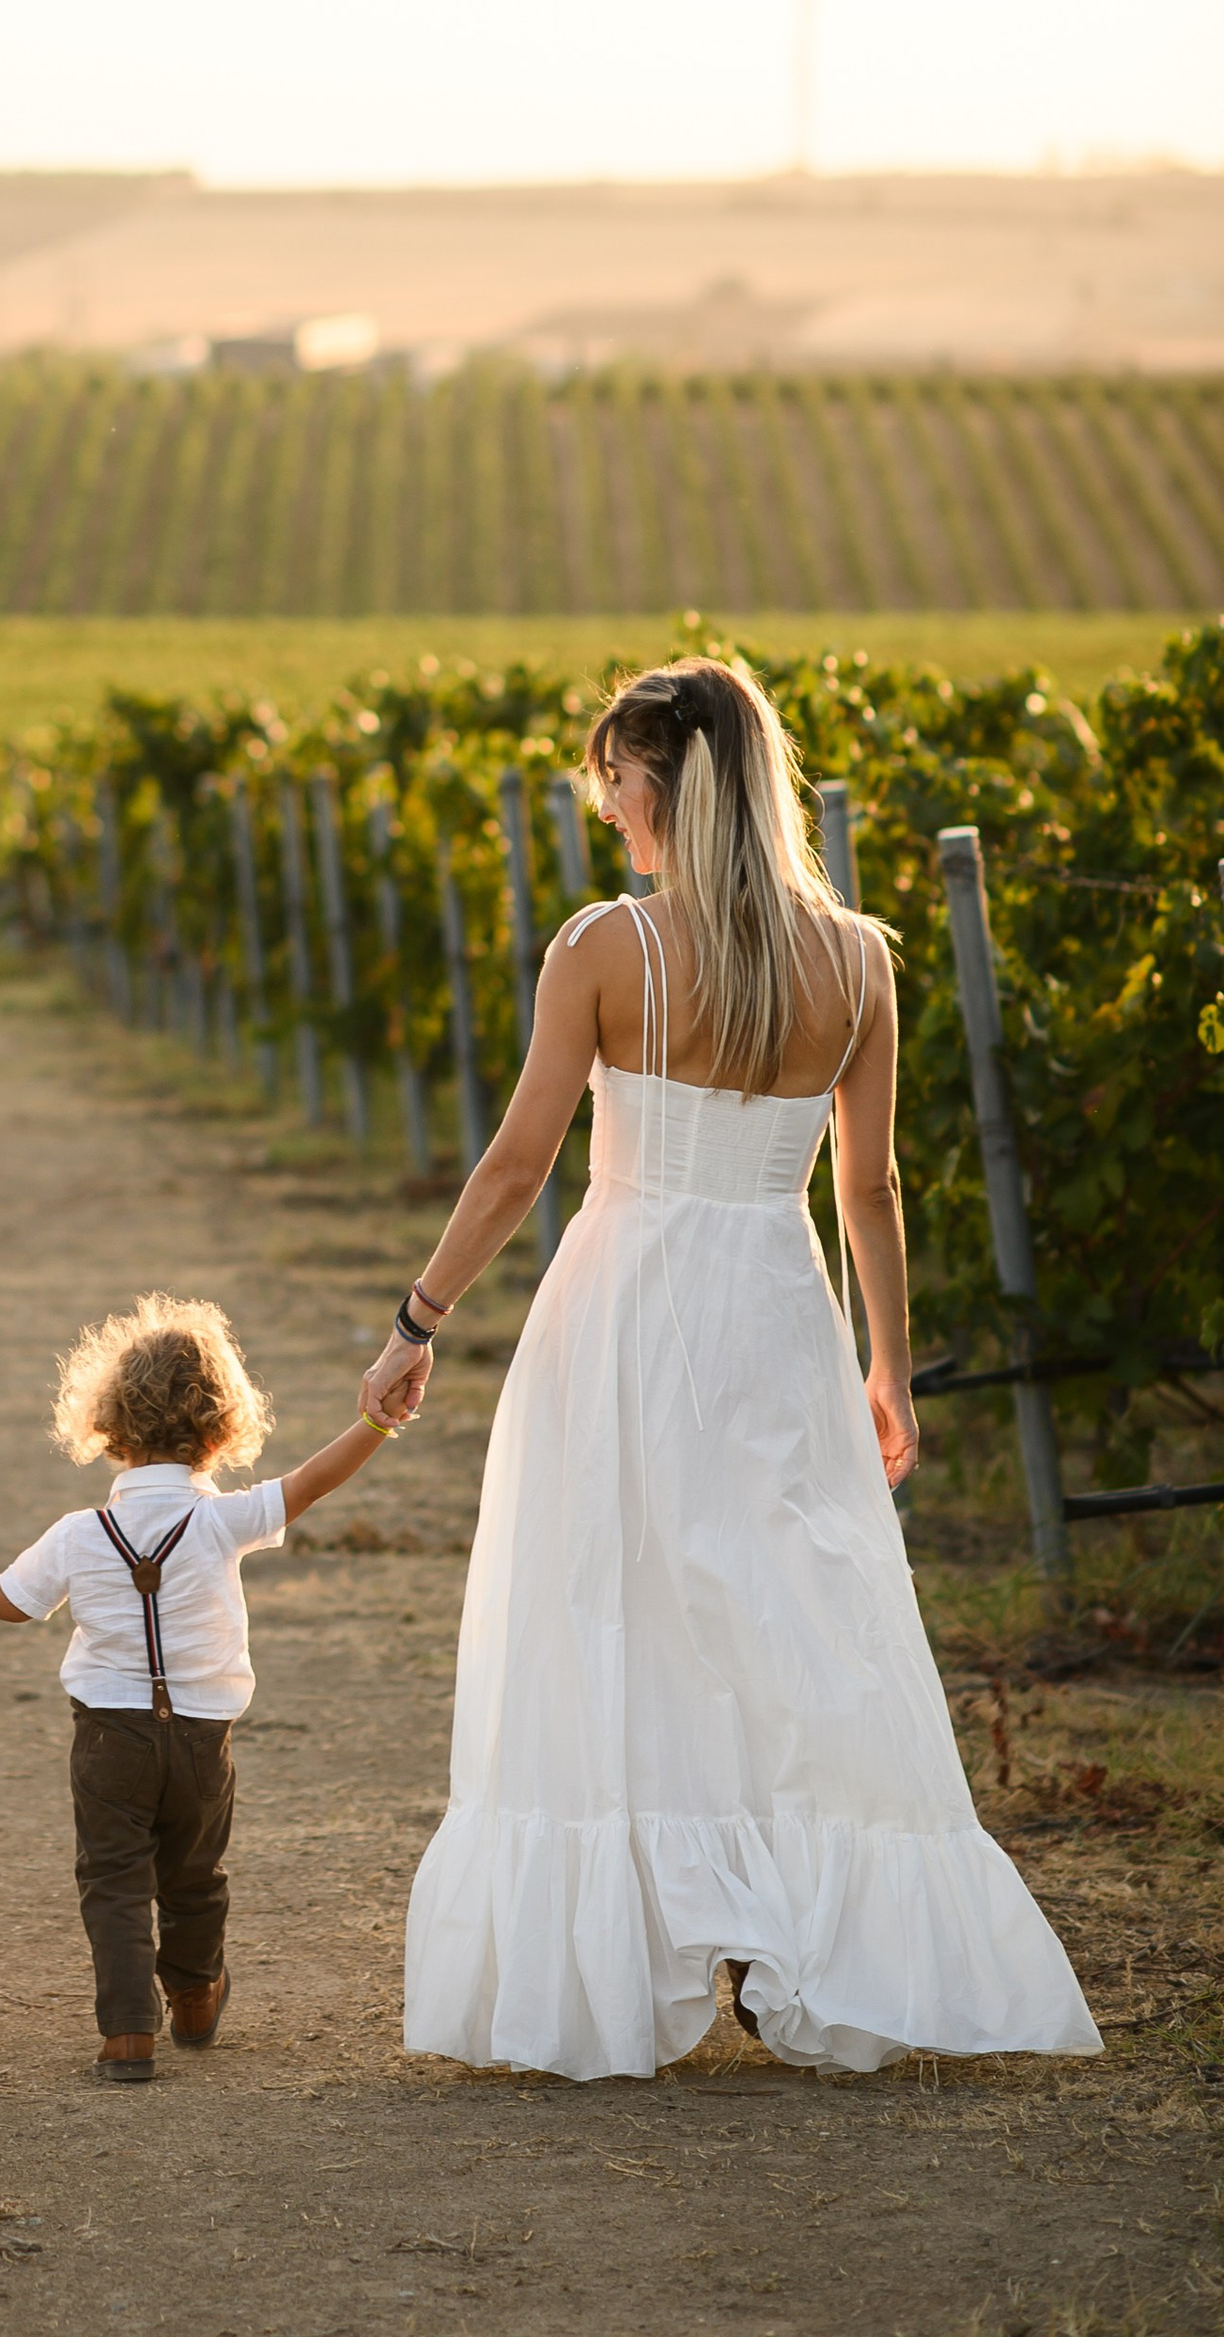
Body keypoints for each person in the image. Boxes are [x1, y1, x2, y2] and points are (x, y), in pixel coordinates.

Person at [362, 653, 1099, 2082]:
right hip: (777, 1306)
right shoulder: (861, 959)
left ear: (662, 785)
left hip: (630, 1306)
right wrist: (887, 1364)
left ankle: (651, 1943)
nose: (611, 815)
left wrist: (418, 1318)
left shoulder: (605, 949)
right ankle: (787, 1936)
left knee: (618, 1609)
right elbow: (869, 1191)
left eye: (617, 786)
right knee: (786, 1614)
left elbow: (523, 1162)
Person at [0, 1293, 397, 2081]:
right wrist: (378, 1423)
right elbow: (315, 1481)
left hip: (108, 1737)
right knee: (195, 1873)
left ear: (108, 1426)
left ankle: (127, 2035)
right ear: (221, 1430)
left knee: (113, 1879)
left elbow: (9, 1602)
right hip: (200, 1740)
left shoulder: (79, 1533)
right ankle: (194, 1996)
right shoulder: (225, 1521)